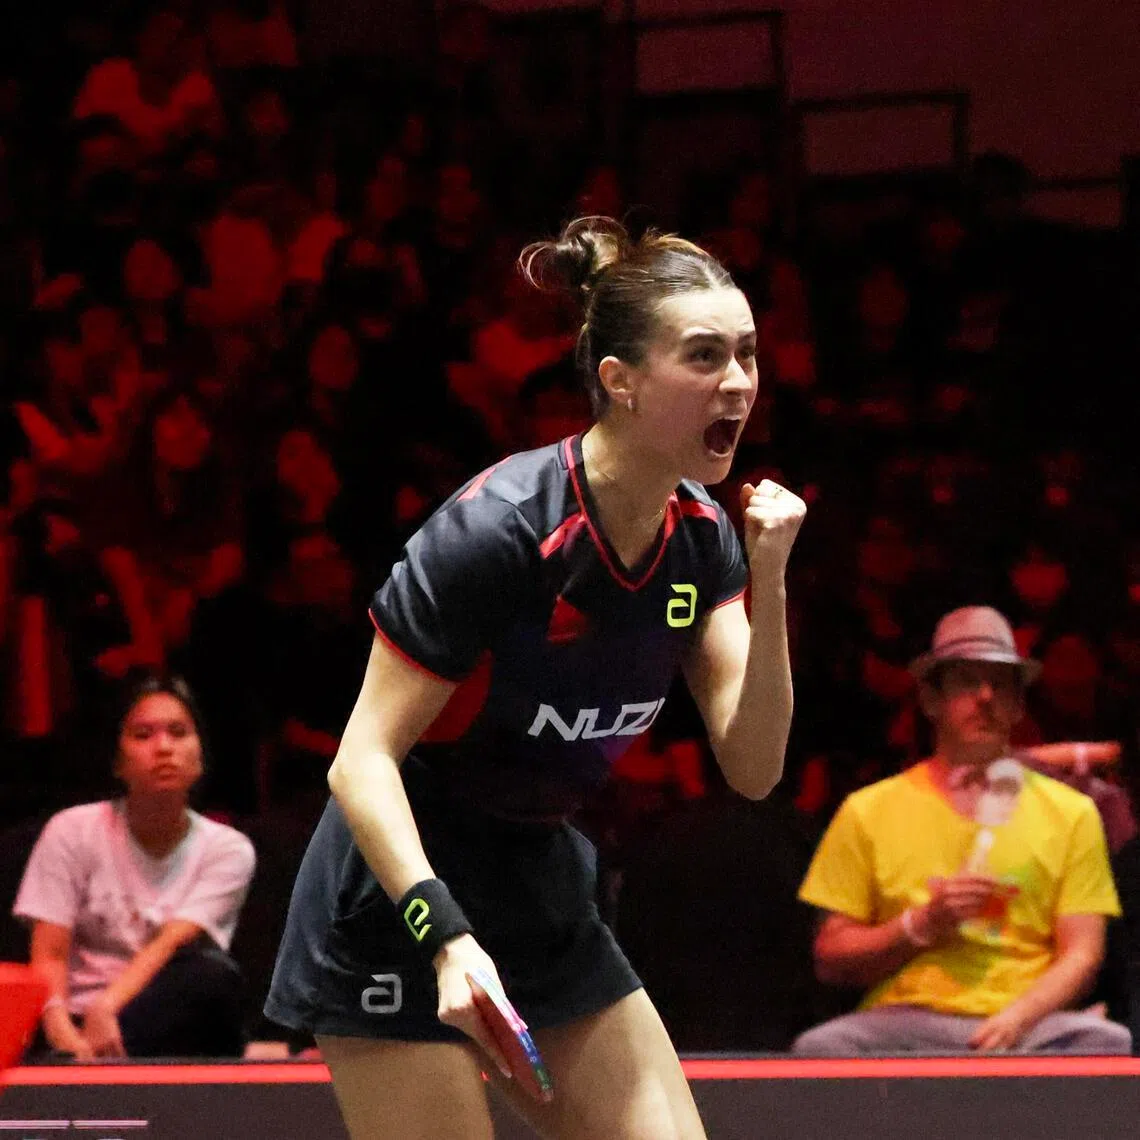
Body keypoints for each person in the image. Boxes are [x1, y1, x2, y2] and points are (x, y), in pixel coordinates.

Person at [264, 216, 806, 1139]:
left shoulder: (705, 540)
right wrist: (447, 938)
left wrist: (771, 579)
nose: (739, 382)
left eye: (749, 354)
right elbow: (360, 761)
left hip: (539, 887)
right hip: (401, 896)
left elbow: (753, 766)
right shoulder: (501, 533)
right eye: (705, 355)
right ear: (619, 382)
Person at [793, 605, 1131, 1056]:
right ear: (932, 699)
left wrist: (1017, 1019)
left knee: (1107, 1041)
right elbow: (831, 957)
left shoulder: (1072, 813)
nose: (985, 697)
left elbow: (1083, 953)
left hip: (1028, 1023)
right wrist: (922, 923)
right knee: (823, 1049)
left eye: (1000, 683)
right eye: (966, 681)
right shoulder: (868, 810)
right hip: (907, 1019)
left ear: (1018, 704)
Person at [12, 672, 256, 1060]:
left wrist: (107, 1008)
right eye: (143, 735)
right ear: (117, 761)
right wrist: (65, 1038)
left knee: (213, 977)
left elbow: (170, 942)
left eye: (178, 733)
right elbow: (49, 954)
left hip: (162, 1015)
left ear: (201, 757)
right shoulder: (71, 831)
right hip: (74, 1022)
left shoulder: (227, 849)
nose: (163, 748)